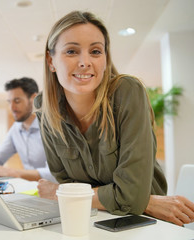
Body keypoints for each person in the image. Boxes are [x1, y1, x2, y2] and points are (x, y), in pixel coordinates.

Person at [34, 10, 194, 226]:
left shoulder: (127, 91)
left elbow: (129, 196)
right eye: (71, 51)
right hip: (91, 220)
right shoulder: (45, 107)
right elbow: (66, 182)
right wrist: (138, 199)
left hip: (143, 223)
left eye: (96, 51)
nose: (85, 62)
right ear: (50, 60)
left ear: (105, 58)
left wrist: (57, 193)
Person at [0, 77, 56, 182]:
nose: (12, 107)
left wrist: (13, 172)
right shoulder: (16, 129)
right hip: (31, 189)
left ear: (34, 98)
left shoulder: (53, 127)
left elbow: (55, 173)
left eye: (17, 101)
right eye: (9, 102)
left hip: (54, 191)